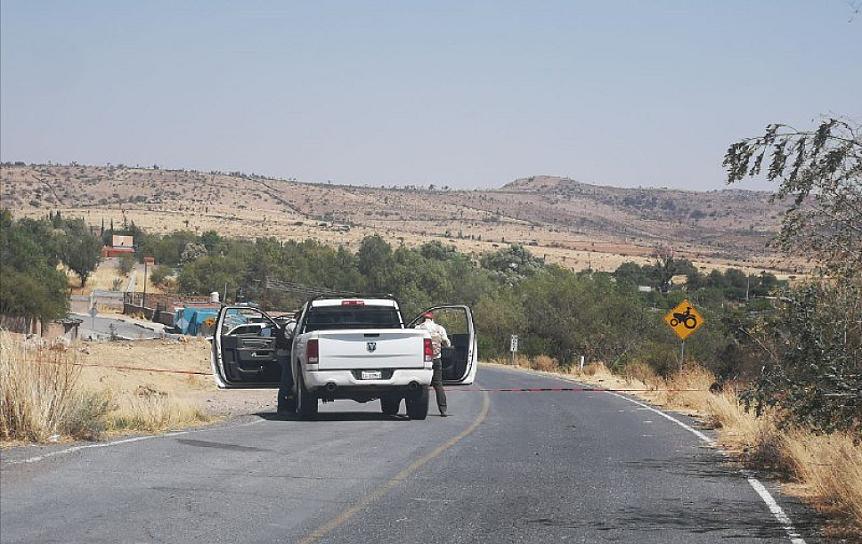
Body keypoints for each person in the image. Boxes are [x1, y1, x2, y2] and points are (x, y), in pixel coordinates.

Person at [415, 311, 450, 416]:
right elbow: (447, 343)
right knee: (438, 384)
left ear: (423, 319)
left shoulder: (418, 328)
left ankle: (417, 409)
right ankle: (443, 409)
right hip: (436, 359)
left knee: (421, 385)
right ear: (432, 318)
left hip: (423, 361)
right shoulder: (439, 328)